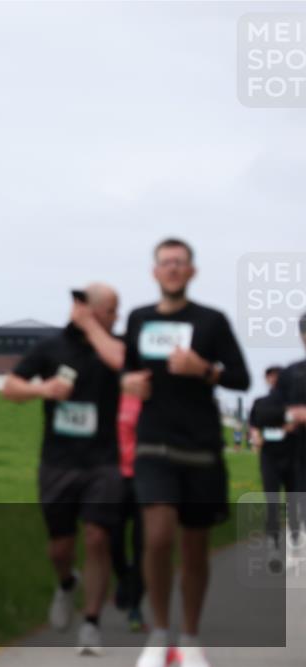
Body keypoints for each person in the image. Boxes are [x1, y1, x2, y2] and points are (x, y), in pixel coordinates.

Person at [121, 239, 250, 667]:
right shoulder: (139, 319)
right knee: (157, 538)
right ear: (154, 272)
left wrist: (204, 370)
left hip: (200, 448)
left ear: (191, 272)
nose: (173, 269)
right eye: (165, 263)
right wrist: (129, 383)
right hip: (154, 443)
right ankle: (160, 634)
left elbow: (241, 378)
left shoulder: (211, 321)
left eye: (180, 263)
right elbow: (125, 370)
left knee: (195, 548)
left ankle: (190, 639)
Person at [1, 283, 125, 656]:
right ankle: (66, 583)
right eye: (109, 310)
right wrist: (44, 391)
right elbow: (9, 387)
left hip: (105, 461)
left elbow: (123, 363)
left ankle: (90, 624)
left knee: (98, 537)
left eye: (114, 311)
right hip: (58, 462)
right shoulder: (51, 347)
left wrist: (93, 330)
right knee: (60, 547)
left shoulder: (116, 349)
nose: (114, 317)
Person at [254, 313, 306, 561]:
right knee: (278, 503)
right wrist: (289, 415)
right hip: (281, 455)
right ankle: (277, 544)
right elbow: (262, 416)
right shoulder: (292, 375)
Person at [248, 365, 301, 568]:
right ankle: (273, 546)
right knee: (272, 501)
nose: (273, 379)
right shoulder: (260, 403)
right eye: (269, 376)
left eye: (277, 376)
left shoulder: (294, 403)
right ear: (266, 379)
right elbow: (254, 425)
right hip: (270, 457)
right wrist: (256, 437)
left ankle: (295, 542)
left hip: (293, 455)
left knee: (294, 502)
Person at [111, 391, 147, 632]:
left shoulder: (151, 399)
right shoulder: (108, 395)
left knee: (143, 546)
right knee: (112, 542)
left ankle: (135, 606)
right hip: (113, 478)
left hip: (147, 478)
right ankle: (124, 579)